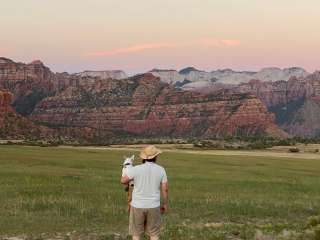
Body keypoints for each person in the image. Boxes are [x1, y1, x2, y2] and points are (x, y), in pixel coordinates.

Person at [121, 145, 169, 240]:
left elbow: (123, 181)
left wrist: (125, 171)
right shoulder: (161, 170)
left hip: (137, 205)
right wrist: (165, 204)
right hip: (154, 205)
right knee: (154, 234)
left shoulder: (135, 169)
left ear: (143, 157)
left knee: (136, 234)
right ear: (155, 157)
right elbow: (165, 189)